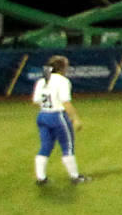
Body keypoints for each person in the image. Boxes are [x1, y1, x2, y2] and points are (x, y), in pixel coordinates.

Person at [31, 56, 83, 185]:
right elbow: (66, 102)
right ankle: (75, 176)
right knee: (67, 146)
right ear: (62, 67)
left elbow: (35, 101)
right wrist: (75, 118)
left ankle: (41, 177)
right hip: (57, 116)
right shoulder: (62, 81)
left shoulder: (42, 80)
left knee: (45, 147)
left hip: (42, 115)